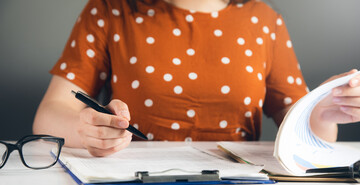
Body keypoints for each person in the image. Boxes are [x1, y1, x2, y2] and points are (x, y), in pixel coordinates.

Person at [33, 0, 360, 157]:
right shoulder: (108, 9)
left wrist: (322, 111)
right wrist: (85, 128)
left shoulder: (264, 21)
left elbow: (308, 132)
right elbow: (49, 115)